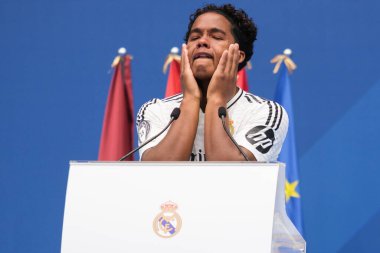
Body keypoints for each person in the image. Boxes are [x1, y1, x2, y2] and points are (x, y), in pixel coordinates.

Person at [136, 4, 288, 161]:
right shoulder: (155, 110)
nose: (202, 41)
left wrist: (216, 99)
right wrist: (190, 99)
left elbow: (232, 174)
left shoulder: (265, 112)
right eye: (194, 37)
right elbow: (156, 174)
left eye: (216, 37)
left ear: (238, 56)